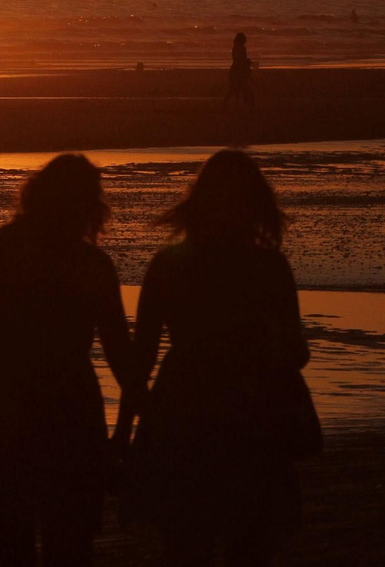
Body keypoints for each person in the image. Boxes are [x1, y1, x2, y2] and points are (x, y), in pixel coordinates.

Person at [0, 154, 134, 567]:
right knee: (70, 548)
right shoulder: (91, 265)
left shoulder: (3, 248)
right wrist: (124, 436)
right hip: (70, 417)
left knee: (7, 546)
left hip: (1, 413)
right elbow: (124, 361)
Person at [121, 149, 312, 567]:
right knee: (251, 543)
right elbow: (294, 353)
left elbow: (142, 358)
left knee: (187, 542)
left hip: (182, 406)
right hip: (252, 410)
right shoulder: (269, 266)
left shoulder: (169, 264)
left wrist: (125, 434)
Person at [225, 33, 255, 113]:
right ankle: (248, 108)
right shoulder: (241, 48)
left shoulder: (235, 48)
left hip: (234, 70)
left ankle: (232, 107)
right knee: (244, 90)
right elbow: (241, 60)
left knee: (234, 91)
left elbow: (238, 60)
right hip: (239, 71)